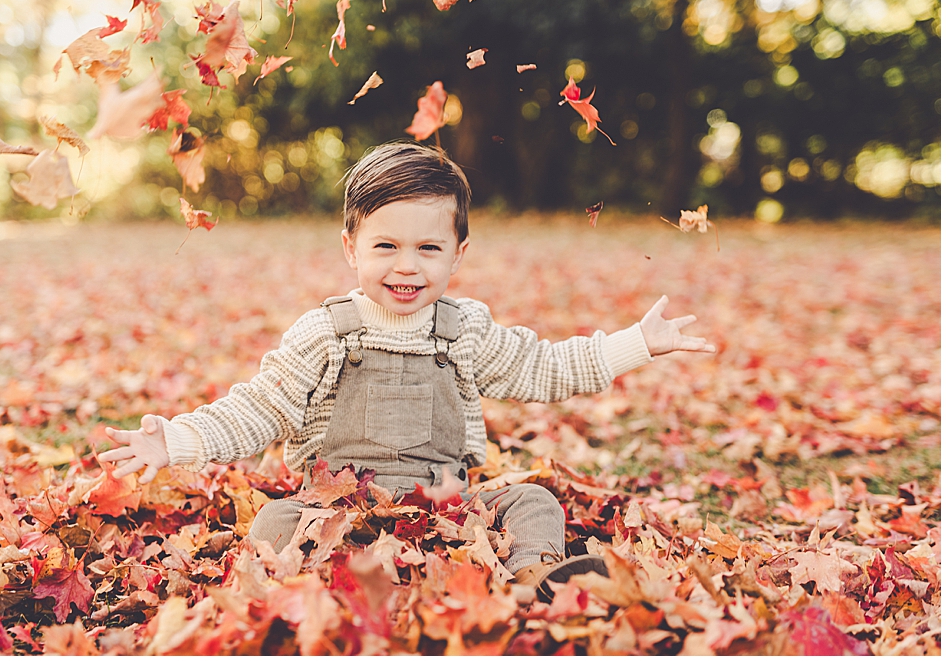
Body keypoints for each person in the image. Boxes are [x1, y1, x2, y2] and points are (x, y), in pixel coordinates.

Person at [100, 143, 716, 599]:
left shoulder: (465, 329)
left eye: (428, 248)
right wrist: (175, 439)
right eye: (386, 246)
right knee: (274, 520)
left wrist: (638, 343)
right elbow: (261, 408)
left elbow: (544, 367)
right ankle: (318, 589)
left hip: (448, 507)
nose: (407, 267)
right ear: (351, 247)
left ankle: (534, 576)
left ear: (458, 254)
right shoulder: (326, 333)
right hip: (336, 511)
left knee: (532, 500)